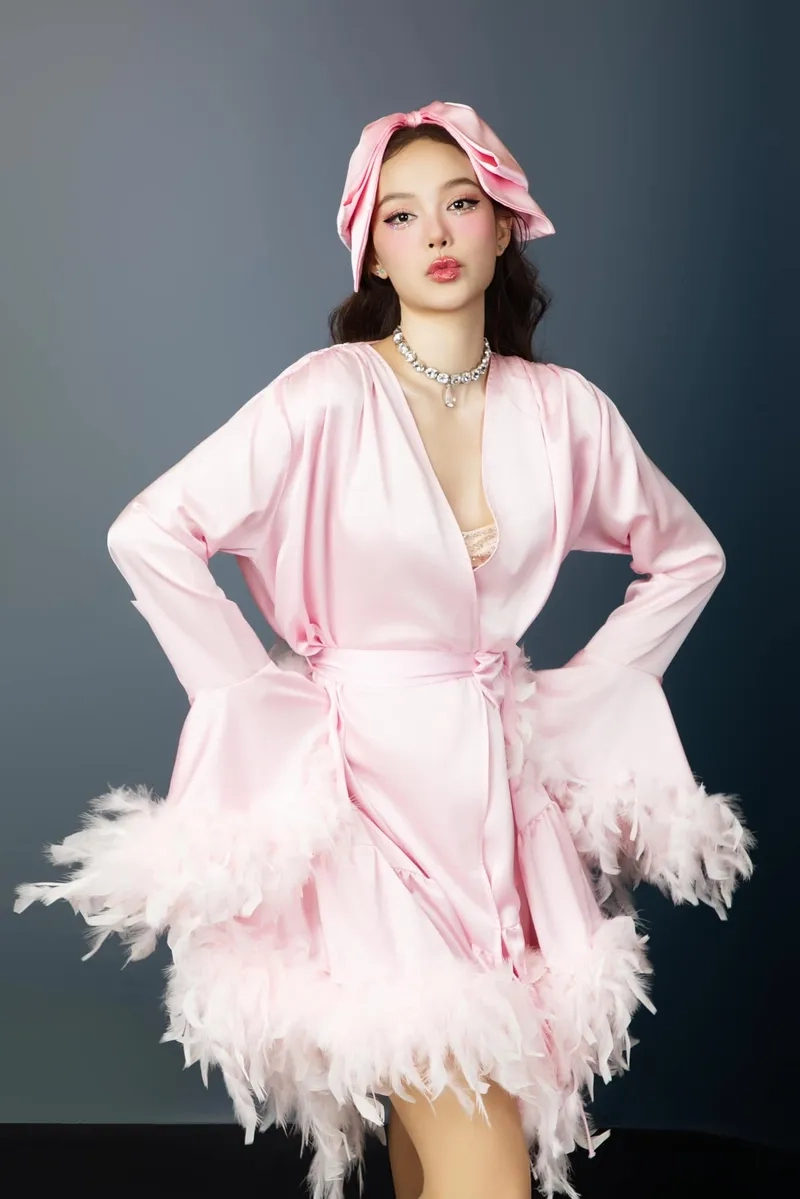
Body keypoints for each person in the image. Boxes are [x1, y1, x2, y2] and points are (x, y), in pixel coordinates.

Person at [14, 101, 755, 1199]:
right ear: (371, 251)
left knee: (436, 1146)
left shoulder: (565, 413)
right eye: (401, 215)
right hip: (363, 801)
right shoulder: (326, 396)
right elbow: (151, 532)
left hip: (495, 812)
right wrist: (256, 697)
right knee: (476, 1151)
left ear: (503, 226)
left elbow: (687, 555)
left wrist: (584, 696)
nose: (436, 233)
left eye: (459, 204)